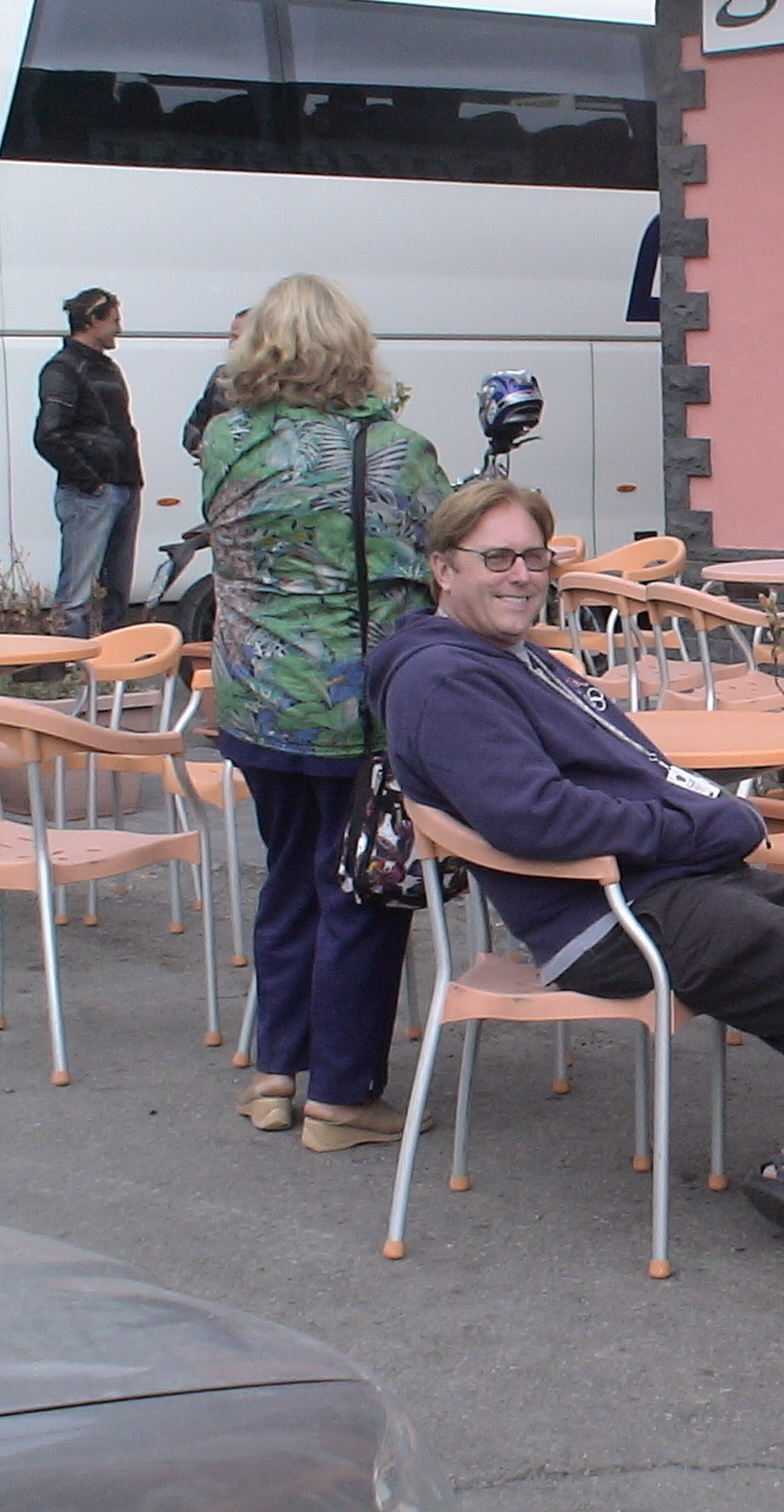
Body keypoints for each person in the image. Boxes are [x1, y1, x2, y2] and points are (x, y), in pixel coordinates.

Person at [366, 478, 784, 1257]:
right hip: (604, 914)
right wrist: (696, 826)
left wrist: (704, 820)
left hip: (662, 881)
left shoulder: (505, 655)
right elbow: (534, 818)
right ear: (443, 568)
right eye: (497, 558)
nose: (521, 574)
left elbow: (624, 774)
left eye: (534, 557)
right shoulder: (445, 678)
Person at [204, 273, 451, 1152]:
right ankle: (341, 1097)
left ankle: (275, 1075)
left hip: (254, 698)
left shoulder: (225, 440)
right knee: (359, 888)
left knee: (287, 878)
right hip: (356, 708)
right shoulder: (396, 448)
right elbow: (441, 548)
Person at [34, 287, 142, 637]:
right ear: (92, 320)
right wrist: (90, 481)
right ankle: (71, 658)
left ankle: (107, 657)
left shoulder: (104, 366)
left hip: (121, 484)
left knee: (116, 590)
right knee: (77, 593)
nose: (119, 328)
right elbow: (48, 435)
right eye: (114, 320)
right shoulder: (63, 368)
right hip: (92, 491)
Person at [182, 307, 249, 456]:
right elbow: (193, 427)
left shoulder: (283, 383)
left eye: (239, 337)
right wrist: (201, 445)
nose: (232, 344)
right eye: (232, 337)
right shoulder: (221, 377)